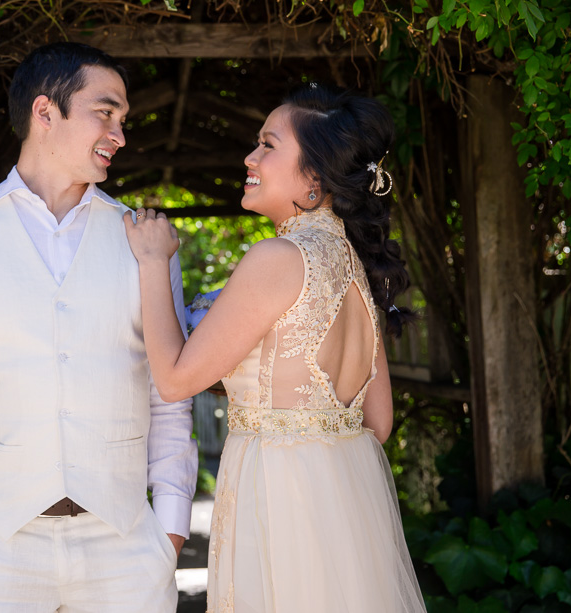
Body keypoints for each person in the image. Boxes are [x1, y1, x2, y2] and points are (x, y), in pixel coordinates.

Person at [0, 42, 198, 612]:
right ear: (45, 112)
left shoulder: (148, 243)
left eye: (123, 120)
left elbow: (168, 394)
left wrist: (171, 528)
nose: (120, 134)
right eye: (104, 113)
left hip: (126, 545)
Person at [124, 83, 427, 612]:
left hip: (278, 498)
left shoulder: (278, 258)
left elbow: (174, 380)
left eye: (267, 144)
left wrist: (154, 264)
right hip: (345, 504)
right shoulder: (358, 268)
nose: (250, 156)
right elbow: (377, 423)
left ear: (313, 178)